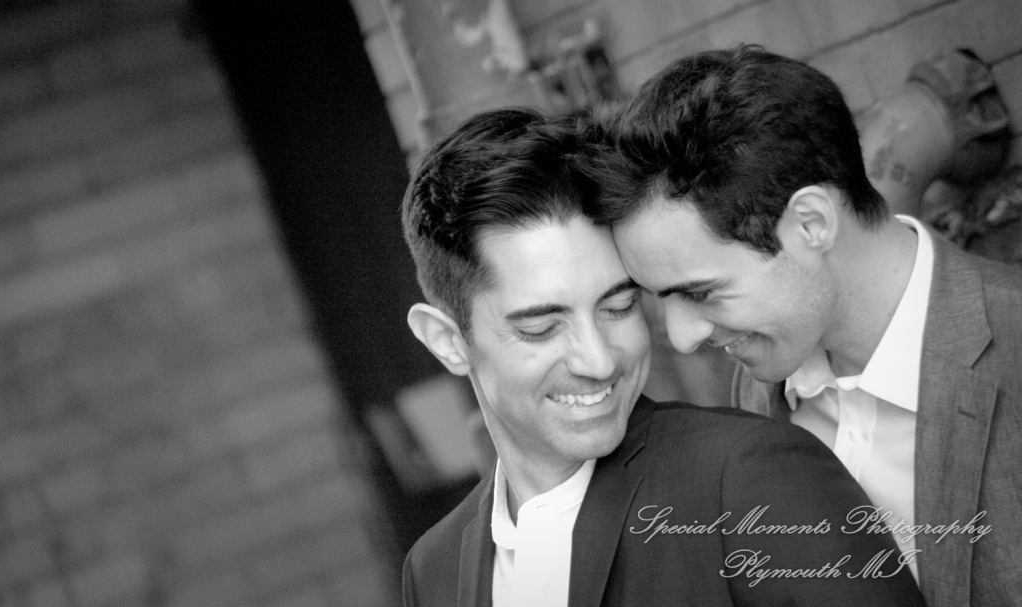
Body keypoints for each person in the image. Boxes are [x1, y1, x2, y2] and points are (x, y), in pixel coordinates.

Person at [399, 106, 924, 606]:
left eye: (619, 307)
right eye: (542, 328)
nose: (599, 362)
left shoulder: (754, 481)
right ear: (447, 341)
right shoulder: (432, 570)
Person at [589, 44, 1022, 607]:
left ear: (812, 223)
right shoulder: (759, 388)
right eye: (659, 299)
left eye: (699, 292)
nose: (682, 337)